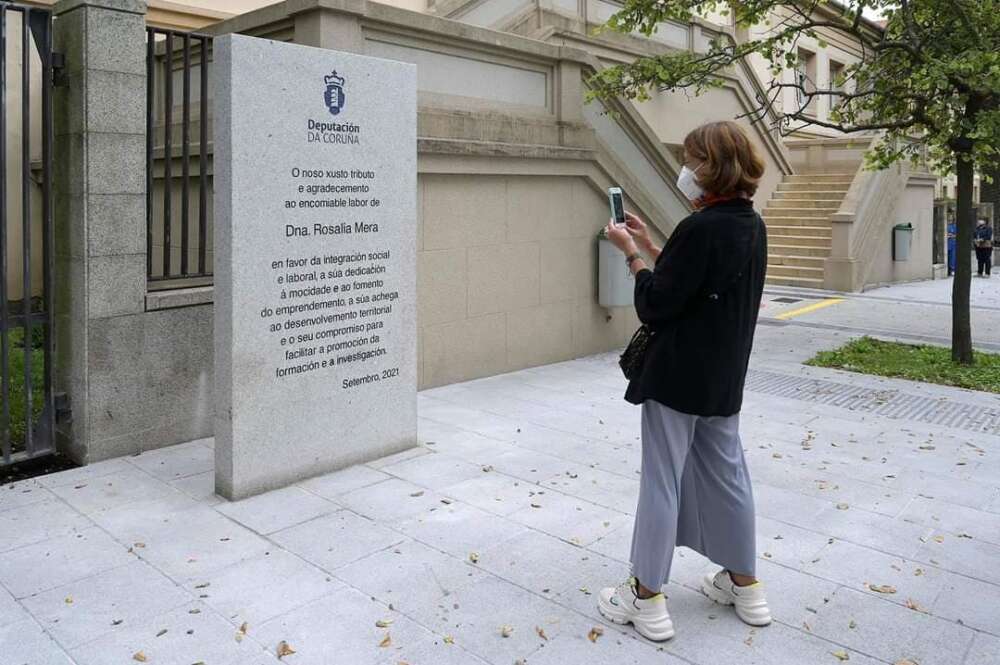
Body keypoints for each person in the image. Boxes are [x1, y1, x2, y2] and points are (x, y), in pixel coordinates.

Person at [597, 121, 770, 641]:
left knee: (661, 480)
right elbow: (691, 284)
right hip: (723, 378)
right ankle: (747, 586)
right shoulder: (749, 225)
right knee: (729, 476)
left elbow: (657, 302)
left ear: (711, 167)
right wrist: (651, 245)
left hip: (676, 378)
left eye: (693, 160)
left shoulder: (701, 229)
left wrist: (629, 253)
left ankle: (646, 597)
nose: (687, 170)